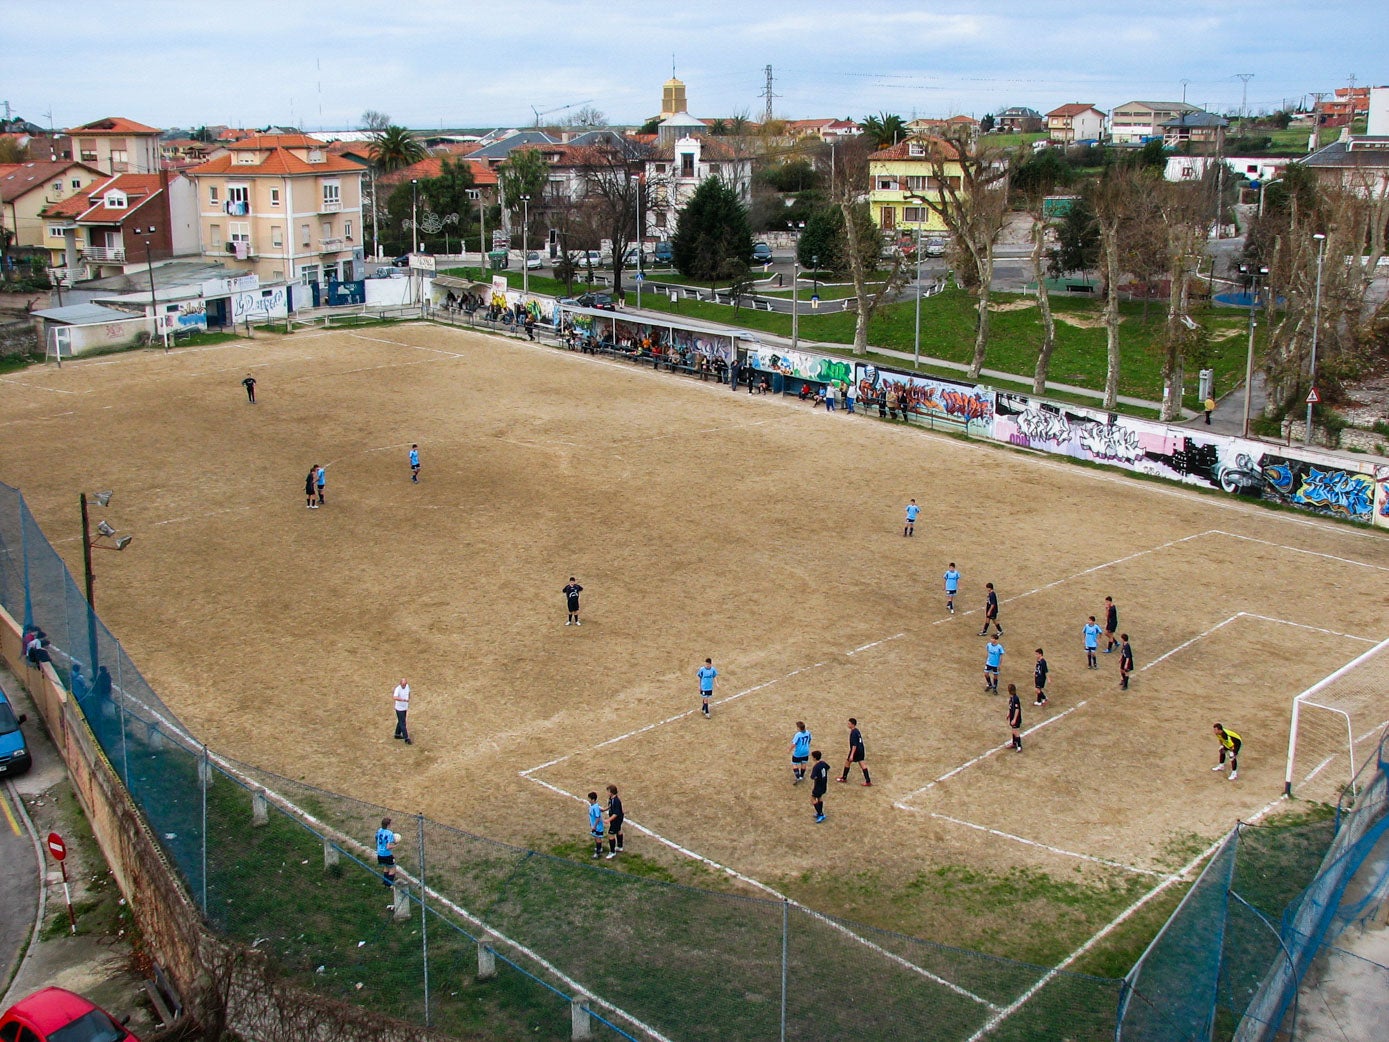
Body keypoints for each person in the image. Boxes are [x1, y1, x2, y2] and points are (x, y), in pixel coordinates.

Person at [839, 718, 871, 785]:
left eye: (849, 723)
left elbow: (854, 745)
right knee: (862, 764)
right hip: (861, 749)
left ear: (853, 724)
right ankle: (868, 781)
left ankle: (844, 778)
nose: (848, 725)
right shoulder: (857, 731)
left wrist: (851, 755)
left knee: (847, 762)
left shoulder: (853, 733)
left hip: (856, 750)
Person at [376, 817, 398, 887]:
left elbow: (376, 837)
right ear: (388, 825)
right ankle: (388, 885)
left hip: (379, 853)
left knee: (386, 866)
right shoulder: (389, 833)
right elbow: (388, 847)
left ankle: (385, 883)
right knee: (392, 868)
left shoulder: (379, 830)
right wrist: (395, 846)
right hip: (387, 854)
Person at [604, 784, 624, 858]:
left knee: (610, 834)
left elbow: (616, 814)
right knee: (618, 830)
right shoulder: (611, 798)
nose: (607, 793)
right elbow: (610, 806)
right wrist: (604, 809)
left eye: (608, 791)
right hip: (617, 818)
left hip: (616, 819)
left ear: (611, 792)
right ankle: (620, 846)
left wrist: (608, 820)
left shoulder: (616, 801)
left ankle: (612, 852)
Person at [810, 750, 828, 822]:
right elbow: (828, 768)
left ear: (814, 758)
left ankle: (820, 814)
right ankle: (819, 812)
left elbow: (812, 776)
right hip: (824, 784)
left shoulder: (816, 767)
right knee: (819, 797)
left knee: (813, 798)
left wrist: (816, 777)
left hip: (818, 785)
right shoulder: (823, 763)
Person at [587, 791, 606, 859]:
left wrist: (594, 827)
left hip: (597, 827)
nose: (588, 800)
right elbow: (602, 810)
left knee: (598, 839)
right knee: (596, 837)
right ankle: (599, 848)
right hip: (595, 826)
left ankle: (598, 853)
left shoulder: (595, 807)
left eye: (589, 799)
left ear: (593, 799)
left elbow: (598, 817)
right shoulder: (594, 806)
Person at [392, 678, 412, 744]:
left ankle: (397, 734)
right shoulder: (398, 689)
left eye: (405, 684)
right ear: (400, 684)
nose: (404, 686)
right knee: (403, 723)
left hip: (404, 708)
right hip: (399, 709)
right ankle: (406, 738)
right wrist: (403, 700)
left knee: (400, 721)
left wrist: (408, 698)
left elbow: (409, 692)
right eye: (403, 685)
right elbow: (394, 697)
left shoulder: (407, 687)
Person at [1007, 684, 1023, 752]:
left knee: (1015, 731)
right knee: (1013, 730)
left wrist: (1014, 719)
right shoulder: (1011, 698)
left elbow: (1017, 709)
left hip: (1016, 717)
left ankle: (1019, 746)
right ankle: (1014, 743)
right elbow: (1010, 707)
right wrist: (1008, 713)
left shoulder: (1016, 698)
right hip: (1012, 716)